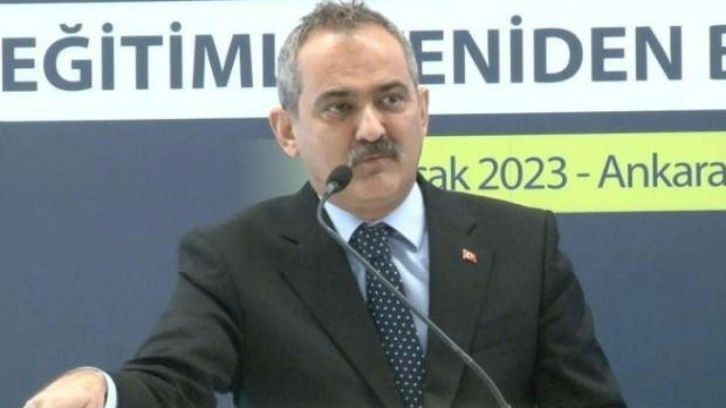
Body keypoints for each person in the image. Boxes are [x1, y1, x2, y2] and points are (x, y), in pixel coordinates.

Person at [25, 1, 626, 407]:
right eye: (339, 107)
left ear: (423, 110)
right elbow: (172, 380)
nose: (372, 128)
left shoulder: (521, 243)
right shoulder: (236, 257)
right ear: (287, 130)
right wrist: (102, 391)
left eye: (391, 99)